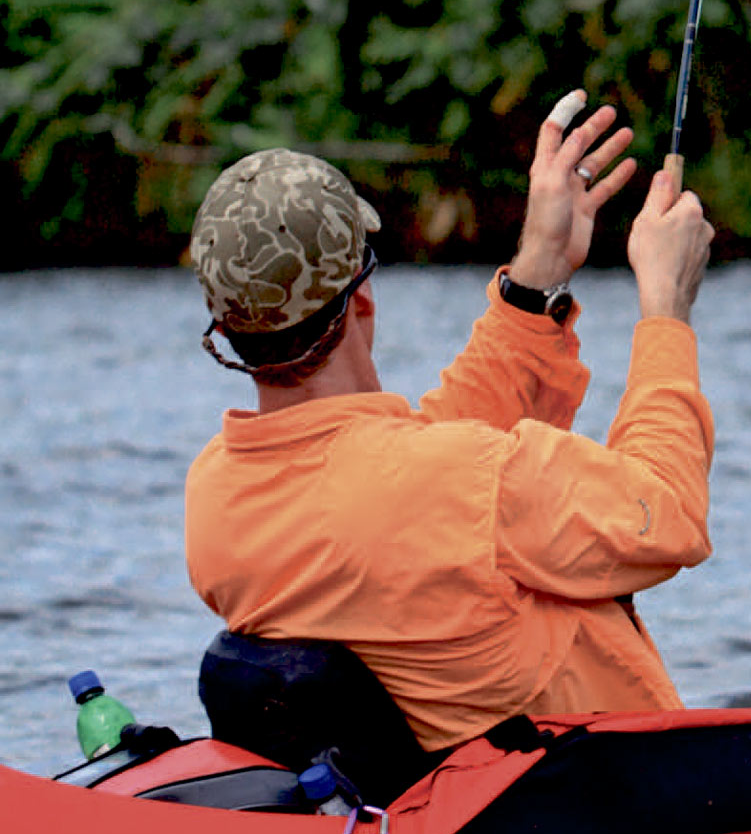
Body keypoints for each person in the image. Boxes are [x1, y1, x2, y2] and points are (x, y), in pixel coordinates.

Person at [184, 93, 715, 754]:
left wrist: (538, 273)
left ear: (228, 328)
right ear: (363, 293)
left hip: (468, 826)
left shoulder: (215, 499)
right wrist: (666, 306)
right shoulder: (449, 484)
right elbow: (664, 515)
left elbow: (404, 482)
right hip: (625, 808)